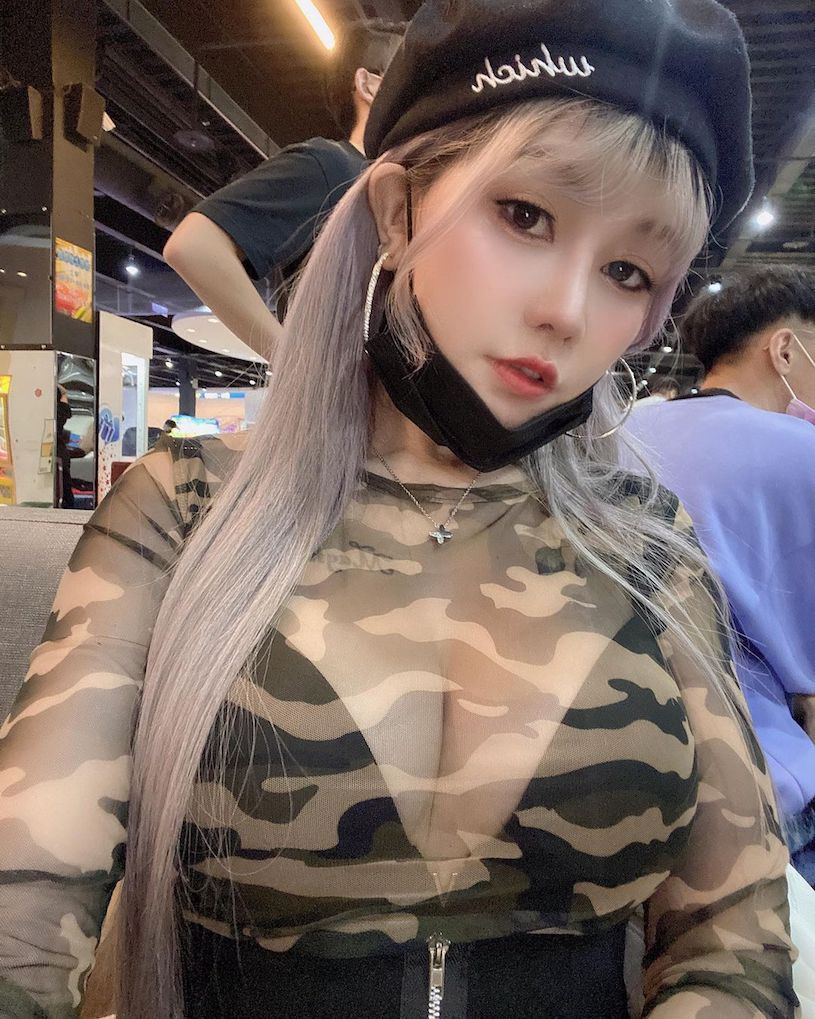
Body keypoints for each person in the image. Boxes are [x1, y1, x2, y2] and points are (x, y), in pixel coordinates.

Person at [0, 3, 797, 1018]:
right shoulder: (185, 511)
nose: (565, 309)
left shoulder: (646, 544)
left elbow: (733, 935)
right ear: (397, 208)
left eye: (626, 272)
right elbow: (26, 904)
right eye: (524, 215)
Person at [626, 265, 815, 884]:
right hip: (753, 785)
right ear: (784, 349)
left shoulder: (618, 432)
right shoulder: (801, 453)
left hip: (617, 767)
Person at [163, 19, 405, 361]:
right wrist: (291, 361)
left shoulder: (394, 188)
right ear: (368, 86)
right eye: (413, 80)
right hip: (338, 394)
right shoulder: (337, 167)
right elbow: (194, 246)